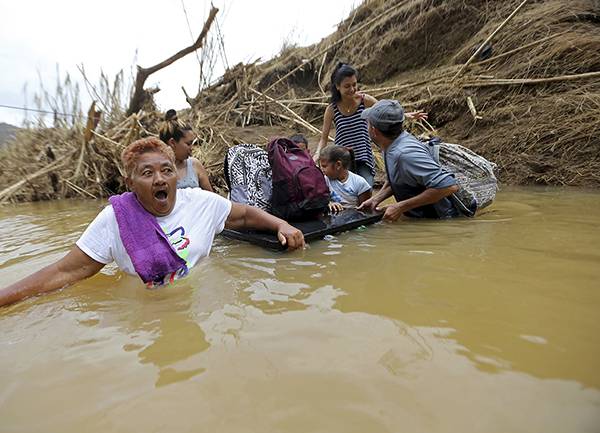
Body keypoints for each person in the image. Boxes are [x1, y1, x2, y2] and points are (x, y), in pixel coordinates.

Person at [0, 137, 304, 307]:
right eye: (147, 173)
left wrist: (281, 225)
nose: (159, 178)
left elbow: (243, 214)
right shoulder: (115, 220)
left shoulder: (198, 201)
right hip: (147, 311)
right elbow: (64, 271)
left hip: (203, 302)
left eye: (166, 170)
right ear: (129, 182)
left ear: (176, 174)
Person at [314, 62, 427, 186]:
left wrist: (406, 115)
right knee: (346, 194)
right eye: (347, 86)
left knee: (366, 188)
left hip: (364, 155)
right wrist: (317, 155)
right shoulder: (331, 109)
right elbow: (323, 139)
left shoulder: (365, 100)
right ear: (337, 87)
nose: (352, 89)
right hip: (342, 160)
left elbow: (386, 112)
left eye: (354, 84)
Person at [358, 99, 459, 221]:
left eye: (368, 123)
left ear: (374, 131)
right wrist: (376, 198)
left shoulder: (404, 155)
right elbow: (401, 178)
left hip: (440, 221)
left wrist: (400, 207)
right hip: (422, 219)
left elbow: (448, 186)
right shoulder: (390, 144)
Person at [159, 109, 213, 191]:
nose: (192, 148)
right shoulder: (157, 171)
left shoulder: (194, 165)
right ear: (172, 143)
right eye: (188, 144)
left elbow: (211, 199)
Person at [319, 144, 371, 213]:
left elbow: (365, 210)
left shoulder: (360, 183)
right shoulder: (325, 180)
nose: (321, 169)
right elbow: (319, 200)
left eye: (324, 166)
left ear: (338, 165)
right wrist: (328, 203)